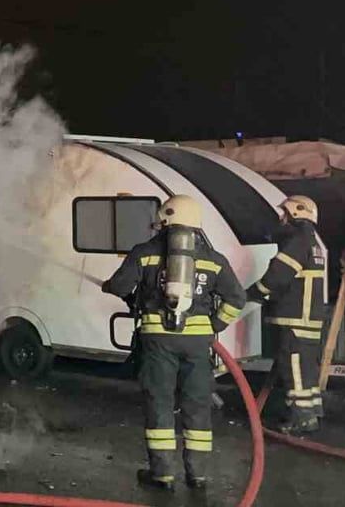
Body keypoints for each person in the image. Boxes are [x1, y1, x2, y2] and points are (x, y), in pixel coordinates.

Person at [102, 194, 247, 490]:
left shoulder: (144, 253)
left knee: (160, 403)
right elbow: (237, 298)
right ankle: (198, 475)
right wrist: (213, 325)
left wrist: (113, 288)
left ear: (165, 219)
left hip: (158, 342)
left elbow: (119, 285)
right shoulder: (214, 260)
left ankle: (163, 475)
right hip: (197, 344)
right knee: (197, 405)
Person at [247, 195, 327, 434]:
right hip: (308, 317)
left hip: (294, 317)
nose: (281, 218)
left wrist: (254, 293)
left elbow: (278, 275)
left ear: (295, 213)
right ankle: (312, 410)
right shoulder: (313, 242)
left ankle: (302, 417)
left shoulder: (297, 241)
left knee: (293, 367)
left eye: (285, 213)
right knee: (306, 367)